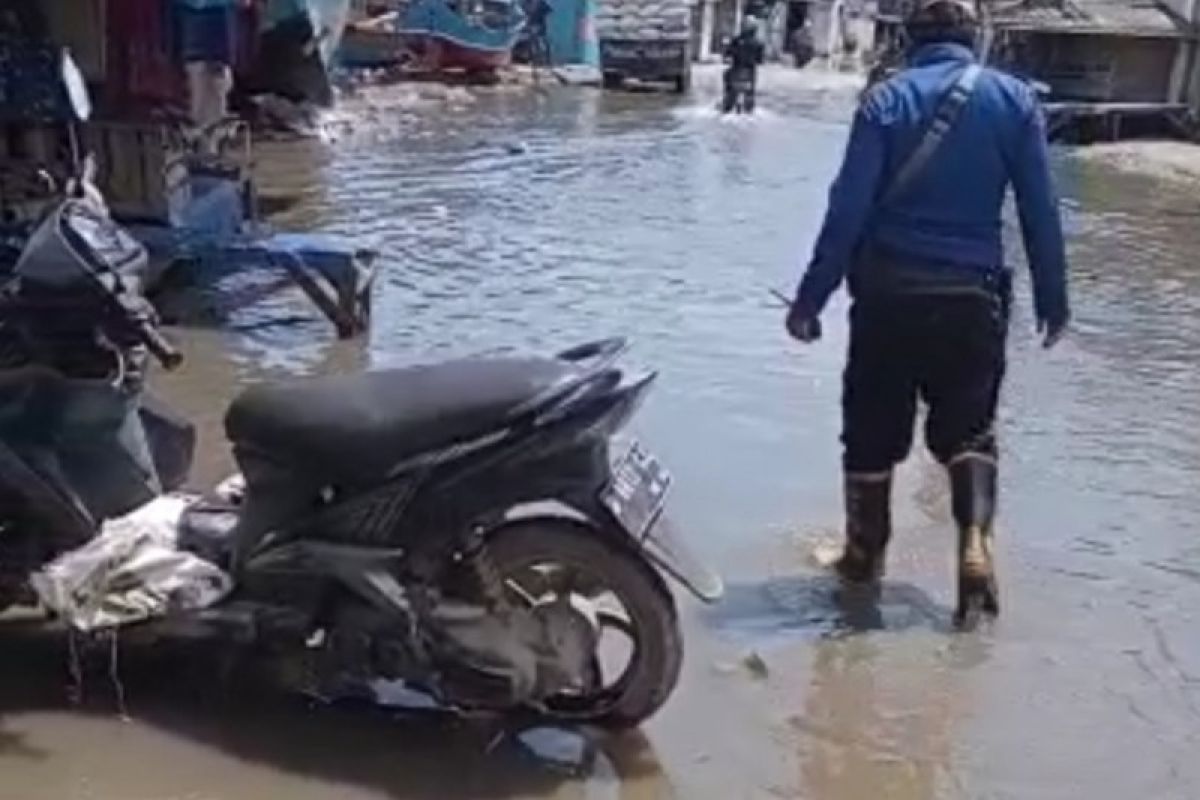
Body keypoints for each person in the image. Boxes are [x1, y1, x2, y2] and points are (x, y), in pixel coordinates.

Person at [784, 0, 1069, 628]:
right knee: (969, 433)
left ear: (909, 39)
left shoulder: (885, 101)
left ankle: (863, 558)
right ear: (974, 38)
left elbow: (845, 213)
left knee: (871, 433)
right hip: (974, 299)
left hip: (888, 298)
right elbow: (1039, 211)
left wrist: (811, 300)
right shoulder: (1016, 101)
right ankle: (974, 545)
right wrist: (1054, 298)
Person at [724, 18, 765, 100]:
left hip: (736, 68)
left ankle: (728, 98)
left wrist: (728, 57)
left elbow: (728, 53)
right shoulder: (759, 42)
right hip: (750, 69)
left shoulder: (736, 40)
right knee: (751, 88)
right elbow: (760, 60)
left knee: (726, 77)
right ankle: (748, 101)